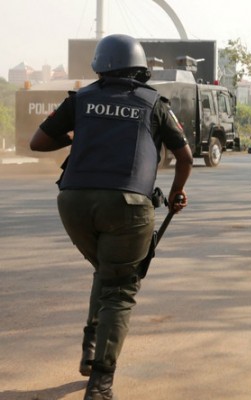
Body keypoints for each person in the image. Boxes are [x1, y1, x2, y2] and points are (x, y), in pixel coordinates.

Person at [29, 34, 193, 400]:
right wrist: (177, 193)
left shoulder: (82, 99)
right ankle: (101, 383)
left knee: (106, 270)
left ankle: (90, 348)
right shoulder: (154, 104)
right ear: (140, 68)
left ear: (99, 65)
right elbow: (185, 157)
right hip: (128, 206)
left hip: (72, 202)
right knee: (119, 287)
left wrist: (80, 133)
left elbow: (38, 142)